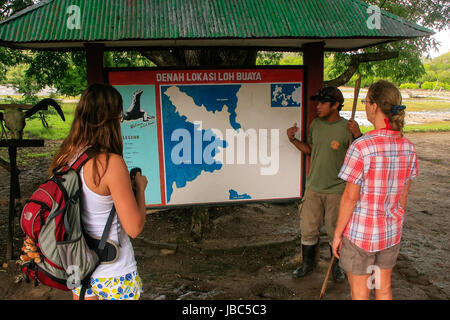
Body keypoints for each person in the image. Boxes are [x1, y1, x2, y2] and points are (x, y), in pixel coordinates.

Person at [48, 83, 148, 300]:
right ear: (113, 118)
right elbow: (134, 227)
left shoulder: (66, 158)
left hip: (78, 267)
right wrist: (139, 189)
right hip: (113, 273)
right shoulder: (110, 163)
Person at [332, 80, 418, 300]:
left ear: (374, 106)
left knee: (360, 292)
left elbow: (350, 198)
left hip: (361, 235)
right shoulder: (408, 147)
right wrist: (394, 221)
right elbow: (403, 196)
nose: (365, 105)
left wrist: (337, 234)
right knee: (383, 288)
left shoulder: (362, 146)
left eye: (366, 101)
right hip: (390, 233)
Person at [287, 86, 362, 282]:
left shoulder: (348, 128)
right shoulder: (315, 125)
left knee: (335, 230)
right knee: (308, 228)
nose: (317, 106)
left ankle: (337, 267)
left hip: (337, 190)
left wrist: (358, 136)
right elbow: (310, 149)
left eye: (322, 103)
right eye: (317, 102)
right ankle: (307, 264)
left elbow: (361, 157)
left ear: (335, 105)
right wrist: (292, 140)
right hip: (313, 188)